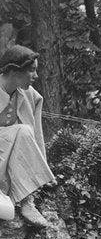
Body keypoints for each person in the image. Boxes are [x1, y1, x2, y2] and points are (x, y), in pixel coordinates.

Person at [0, 45, 55, 228]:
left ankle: (26, 201)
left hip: (11, 152)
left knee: (24, 131)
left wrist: (43, 167)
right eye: (31, 70)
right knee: (20, 131)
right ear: (14, 70)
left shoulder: (31, 96)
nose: (36, 76)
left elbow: (36, 135)